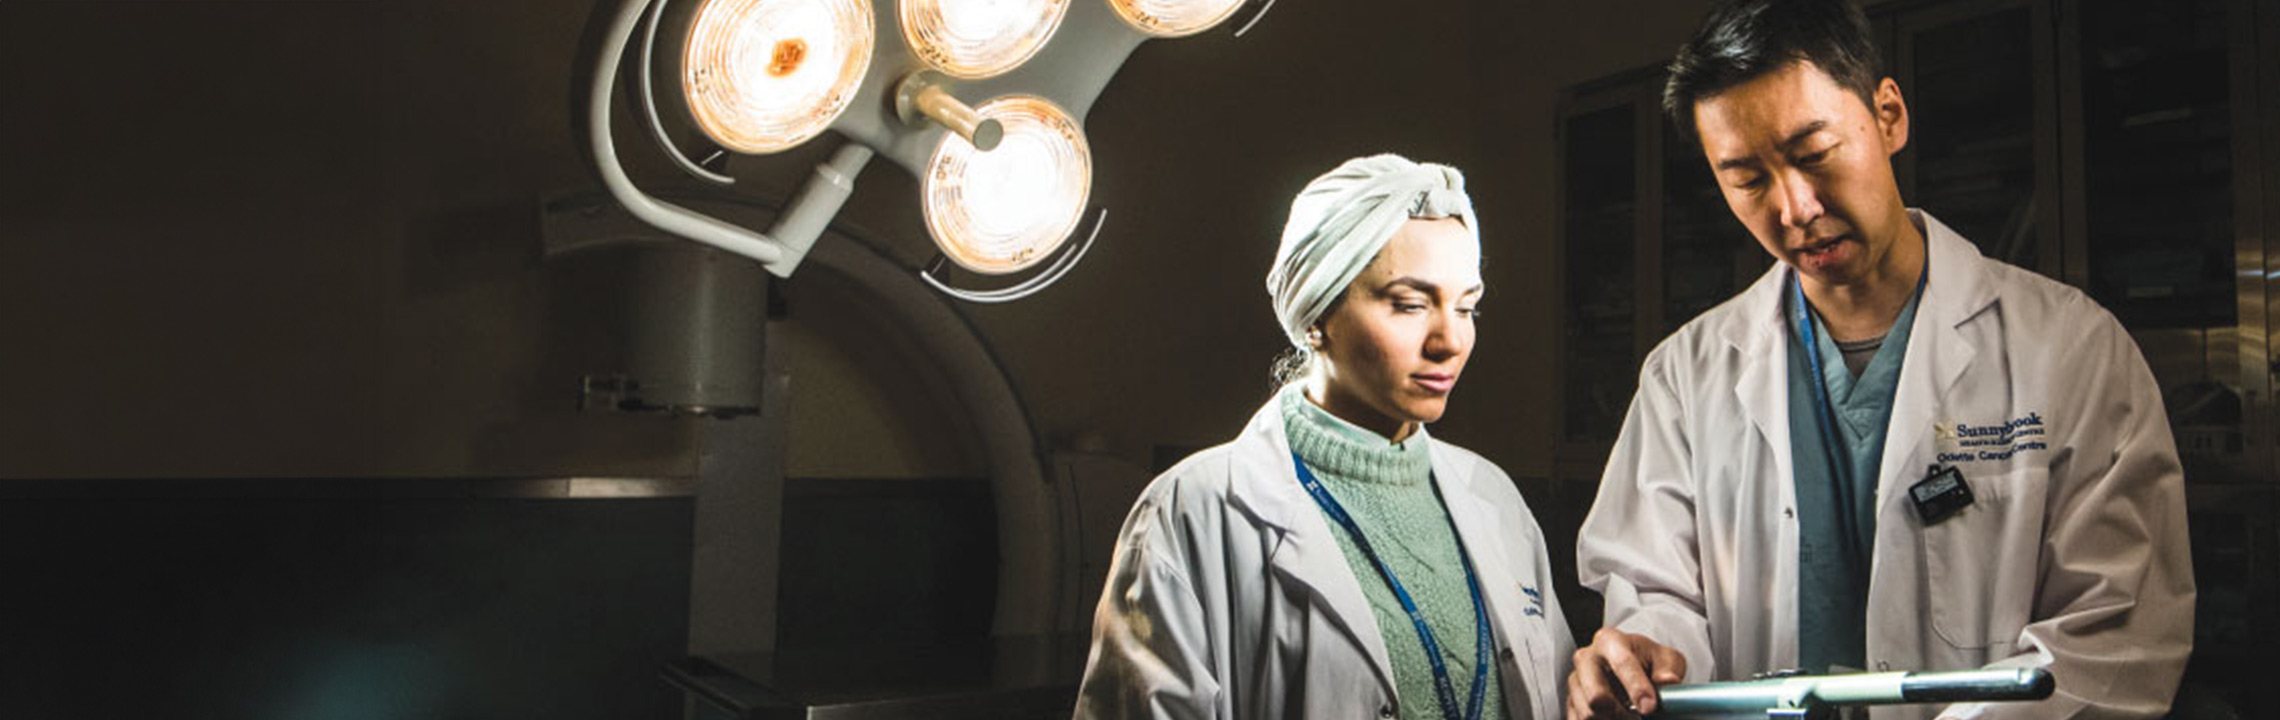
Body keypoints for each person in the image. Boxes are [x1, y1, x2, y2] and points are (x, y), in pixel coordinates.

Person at [1567, 1, 2195, 718]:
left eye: (1813, 153)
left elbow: (2116, 635)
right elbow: (1656, 594)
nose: (1795, 207)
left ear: (1888, 115)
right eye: (1747, 178)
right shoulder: (1684, 377)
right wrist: (1647, 652)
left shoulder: (2071, 350)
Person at [1075, 154, 1574, 720]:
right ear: (1316, 316)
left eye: (1467, 307)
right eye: (1410, 304)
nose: (1450, 340)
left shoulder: (1494, 498)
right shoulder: (1193, 510)